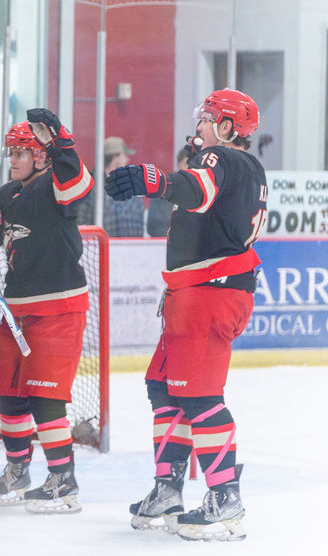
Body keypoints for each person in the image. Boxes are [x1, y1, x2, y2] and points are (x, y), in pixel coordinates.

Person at [107, 89, 266, 542]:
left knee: (199, 397)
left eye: (207, 119)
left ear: (229, 127)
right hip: (196, 292)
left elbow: (197, 190)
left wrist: (151, 178)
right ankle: (168, 489)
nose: (198, 126)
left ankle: (225, 496)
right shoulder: (236, 165)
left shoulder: (225, 161)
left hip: (210, 293)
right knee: (163, 388)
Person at [0, 109, 94, 514]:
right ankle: (18, 469)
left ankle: (63, 481)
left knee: (45, 398)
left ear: (43, 157)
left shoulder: (55, 185)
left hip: (58, 307)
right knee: (9, 393)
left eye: (21, 152)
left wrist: (61, 140)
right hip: (16, 310)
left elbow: (78, 184)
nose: (12, 159)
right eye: (10, 151)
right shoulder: (5, 195)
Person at [76, 136, 144, 236]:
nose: (127, 159)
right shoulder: (91, 187)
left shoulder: (131, 185)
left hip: (130, 248)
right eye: (124, 154)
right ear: (115, 157)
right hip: (103, 248)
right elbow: (82, 224)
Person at [145, 147, 190, 237]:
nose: (189, 168)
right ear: (178, 165)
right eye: (186, 163)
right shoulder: (163, 188)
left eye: (193, 165)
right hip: (165, 245)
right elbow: (154, 226)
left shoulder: (202, 194)